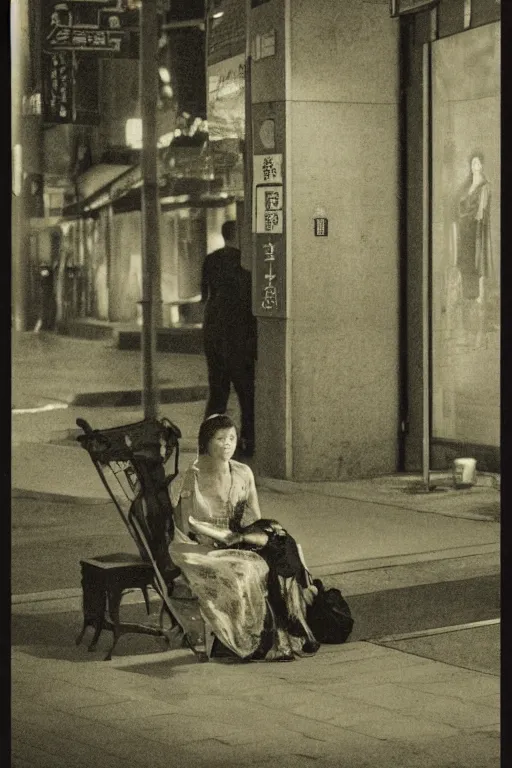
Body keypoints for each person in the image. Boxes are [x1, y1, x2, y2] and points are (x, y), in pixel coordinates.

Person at [169, 414, 320, 662]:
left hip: (237, 537)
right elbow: (185, 527)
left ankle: (293, 625)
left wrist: (245, 535)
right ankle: (271, 633)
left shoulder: (242, 472)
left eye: (232, 438)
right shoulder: (192, 476)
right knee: (252, 565)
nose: (227, 444)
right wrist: (213, 538)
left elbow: (254, 516)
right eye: (220, 439)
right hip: (200, 547)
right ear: (206, 442)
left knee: (283, 542)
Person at [201, 220, 256, 456]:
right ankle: (247, 441)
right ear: (239, 235)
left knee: (218, 392)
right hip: (239, 334)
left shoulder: (210, 261)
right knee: (246, 393)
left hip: (214, 331)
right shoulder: (245, 263)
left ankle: (209, 442)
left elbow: (205, 294)